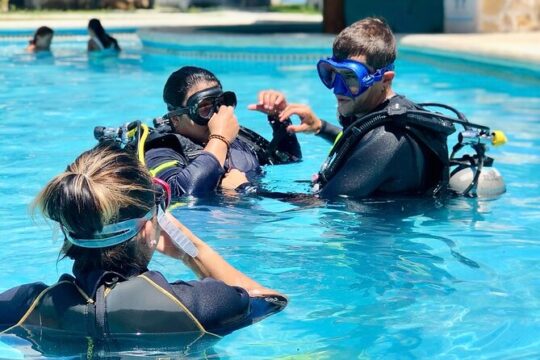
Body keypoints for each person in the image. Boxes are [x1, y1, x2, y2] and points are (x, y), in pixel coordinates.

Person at [0, 143, 287, 351]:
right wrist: (192, 251)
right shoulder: (196, 305)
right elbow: (272, 301)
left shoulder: (26, 306)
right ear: (148, 227)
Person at [250, 17, 459, 199]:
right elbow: (359, 143)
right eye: (333, 73)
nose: (337, 88)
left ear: (385, 80)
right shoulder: (380, 116)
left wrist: (241, 189)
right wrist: (320, 127)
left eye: (350, 77)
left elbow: (324, 202)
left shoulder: (389, 138)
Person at [143, 66, 302, 198]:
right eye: (204, 108)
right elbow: (180, 193)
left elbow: (287, 159)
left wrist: (280, 119)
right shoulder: (161, 150)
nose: (216, 116)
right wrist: (219, 139)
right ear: (176, 118)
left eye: (221, 103)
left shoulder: (236, 138)